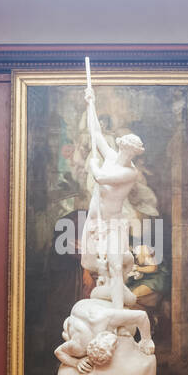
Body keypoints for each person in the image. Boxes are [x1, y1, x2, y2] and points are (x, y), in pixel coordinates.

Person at [79, 84, 144, 309]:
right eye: (127, 148)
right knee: (87, 261)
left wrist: (95, 165)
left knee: (116, 266)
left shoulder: (130, 173)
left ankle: (118, 313)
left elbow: (99, 178)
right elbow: (96, 133)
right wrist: (91, 104)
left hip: (113, 223)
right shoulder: (111, 155)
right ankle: (109, 286)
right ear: (122, 146)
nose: (129, 153)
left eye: (133, 151)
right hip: (94, 220)